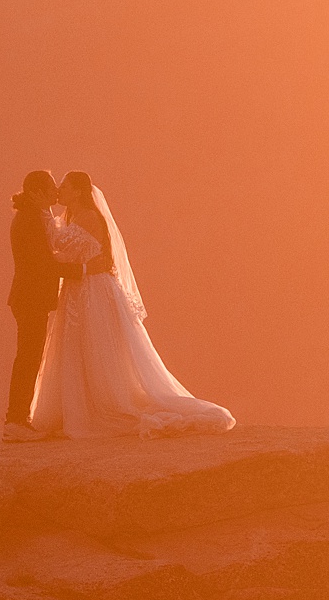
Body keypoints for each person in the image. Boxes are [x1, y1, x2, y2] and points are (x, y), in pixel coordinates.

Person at [29, 170, 235, 439]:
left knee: (96, 346)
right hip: (78, 290)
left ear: (78, 191)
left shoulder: (90, 217)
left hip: (94, 291)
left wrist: (42, 211)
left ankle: (103, 404)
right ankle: (79, 406)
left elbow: (60, 243)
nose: (59, 191)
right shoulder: (71, 217)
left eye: (65, 187)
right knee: (76, 348)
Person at [2, 169, 74, 441]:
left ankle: (19, 419)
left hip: (29, 298)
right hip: (29, 298)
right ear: (36, 192)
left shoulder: (32, 216)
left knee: (29, 357)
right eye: (51, 188)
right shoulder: (30, 220)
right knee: (27, 359)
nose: (56, 192)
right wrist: (82, 270)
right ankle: (16, 421)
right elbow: (43, 264)